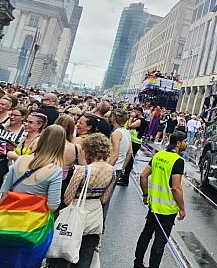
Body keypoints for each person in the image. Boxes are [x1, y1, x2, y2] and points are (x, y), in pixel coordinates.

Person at [47, 134, 116, 268]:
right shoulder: (112, 171)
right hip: (95, 215)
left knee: (62, 249)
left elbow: (67, 198)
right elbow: (104, 199)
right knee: (86, 253)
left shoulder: (83, 171)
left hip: (76, 212)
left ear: (88, 150)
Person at [0, 124, 65, 268]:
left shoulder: (21, 159)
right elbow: (53, 205)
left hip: (8, 219)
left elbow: (4, 191)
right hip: (34, 226)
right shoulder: (55, 170)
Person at [134, 131, 187, 268]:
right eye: (185, 142)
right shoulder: (178, 161)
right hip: (167, 210)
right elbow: (176, 188)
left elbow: (143, 176)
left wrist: (146, 195)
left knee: (146, 234)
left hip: (153, 206)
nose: (186, 144)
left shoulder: (158, 155)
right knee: (160, 241)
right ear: (178, 143)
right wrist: (182, 208)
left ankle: (137, 263)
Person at [117, 107, 144, 186]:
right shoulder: (138, 120)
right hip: (133, 141)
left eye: (134, 111)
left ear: (138, 112)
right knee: (127, 159)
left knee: (130, 161)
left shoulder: (140, 121)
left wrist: (131, 117)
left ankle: (126, 179)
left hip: (135, 142)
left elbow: (129, 126)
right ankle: (123, 176)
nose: (133, 112)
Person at [108, 108, 132, 179]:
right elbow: (130, 152)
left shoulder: (116, 134)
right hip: (118, 168)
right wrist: (122, 167)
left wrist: (106, 169)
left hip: (112, 168)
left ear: (114, 118)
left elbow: (115, 155)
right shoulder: (127, 132)